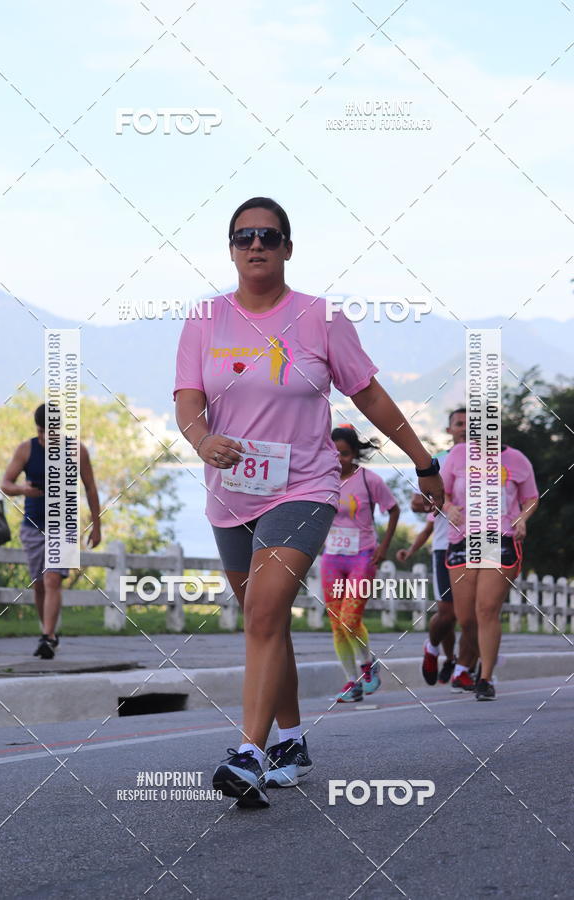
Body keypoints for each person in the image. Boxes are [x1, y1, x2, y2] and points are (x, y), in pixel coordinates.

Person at [174, 196, 444, 808]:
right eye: (244, 237)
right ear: (232, 250)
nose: (257, 245)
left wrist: (424, 462)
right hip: (232, 493)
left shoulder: (321, 319)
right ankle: (292, 742)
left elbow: (370, 397)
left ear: (288, 247)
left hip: (304, 485)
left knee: (268, 611)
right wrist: (201, 439)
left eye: (269, 235)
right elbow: (188, 399)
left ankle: (247, 753)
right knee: (262, 620)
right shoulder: (205, 319)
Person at [1, 404, 101, 659]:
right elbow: (5, 484)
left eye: (51, 432)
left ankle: (48, 637)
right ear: (37, 429)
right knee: (39, 584)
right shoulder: (26, 449)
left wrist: (96, 525)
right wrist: (24, 490)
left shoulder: (77, 451)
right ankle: (47, 630)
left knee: (52, 578)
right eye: (42, 432)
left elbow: (90, 488)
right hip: (33, 525)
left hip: (65, 525)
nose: (46, 437)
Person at [443, 439, 538, 700]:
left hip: (499, 538)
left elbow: (531, 498)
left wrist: (522, 517)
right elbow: (441, 493)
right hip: (463, 539)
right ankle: (482, 659)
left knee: (486, 609)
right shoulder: (458, 454)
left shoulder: (517, 459)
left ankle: (485, 678)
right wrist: (449, 508)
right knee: (466, 618)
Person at [321, 425, 399, 702]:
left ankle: (368, 664)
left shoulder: (370, 480)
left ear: (354, 453)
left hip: (363, 555)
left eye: (343, 453)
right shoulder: (321, 479)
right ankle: (350, 681)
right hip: (332, 557)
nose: (338, 458)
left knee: (350, 619)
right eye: (333, 453)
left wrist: (383, 548)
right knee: (336, 623)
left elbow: (393, 509)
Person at [402, 408, 478, 686]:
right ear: (450, 430)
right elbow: (415, 503)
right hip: (448, 544)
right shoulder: (440, 461)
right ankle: (433, 648)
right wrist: (444, 504)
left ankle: (465, 669)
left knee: (478, 612)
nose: (465, 429)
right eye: (459, 424)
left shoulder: (492, 461)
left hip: (485, 544)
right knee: (449, 612)